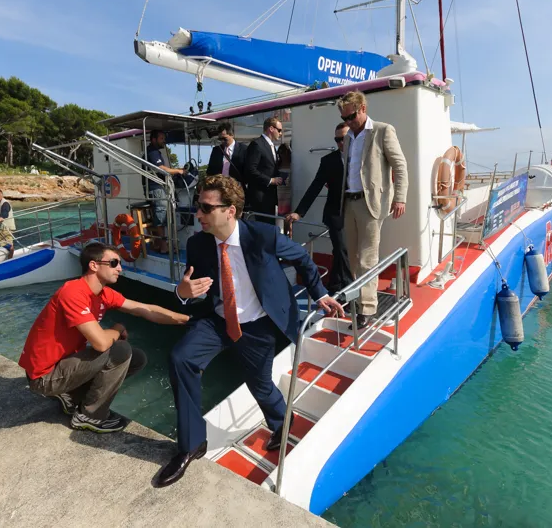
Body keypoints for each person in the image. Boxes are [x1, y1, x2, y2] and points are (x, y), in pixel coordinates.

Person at [153, 175, 344, 487]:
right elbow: (193, 287)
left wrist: (320, 293)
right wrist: (183, 292)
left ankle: (283, 423)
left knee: (260, 385)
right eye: (197, 206)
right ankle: (191, 444)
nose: (197, 214)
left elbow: (303, 260)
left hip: (258, 325)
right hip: (216, 321)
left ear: (230, 211)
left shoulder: (264, 236)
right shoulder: (197, 243)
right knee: (181, 358)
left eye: (205, 207)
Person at [19, 242, 188, 433]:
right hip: (44, 377)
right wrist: (117, 329)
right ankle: (89, 416)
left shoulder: (103, 294)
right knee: (120, 350)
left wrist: (188, 320)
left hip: (64, 366)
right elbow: (100, 343)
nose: (120, 268)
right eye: (114, 263)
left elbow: (145, 309)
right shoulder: (73, 292)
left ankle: (72, 396)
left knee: (137, 358)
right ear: (94, 265)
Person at [338, 91, 408, 329]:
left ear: (363, 108)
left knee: (368, 258)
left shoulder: (382, 130)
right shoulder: (349, 137)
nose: (349, 122)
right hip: (349, 202)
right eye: (345, 118)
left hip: (371, 204)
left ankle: (367, 309)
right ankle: (358, 301)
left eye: (352, 116)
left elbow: (400, 166)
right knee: (354, 260)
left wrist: (400, 198)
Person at [286, 123, 353, 293]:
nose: (341, 143)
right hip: (335, 214)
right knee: (341, 249)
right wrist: (299, 212)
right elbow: (315, 186)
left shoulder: (362, 158)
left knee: (343, 251)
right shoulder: (328, 161)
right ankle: (349, 289)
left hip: (357, 213)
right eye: (337, 140)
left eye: (344, 139)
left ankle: (334, 285)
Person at [145, 130, 185, 253]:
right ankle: (163, 246)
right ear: (154, 139)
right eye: (161, 138)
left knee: (164, 215)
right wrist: (178, 171)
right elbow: (161, 169)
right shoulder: (152, 152)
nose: (164, 141)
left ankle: (161, 243)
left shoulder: (155, 152)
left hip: (160, 187)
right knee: (161, 215)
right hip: (156, 187)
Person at [244, 116, 285, 222]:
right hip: (260, 197)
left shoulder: (271, 146)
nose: (281, 133)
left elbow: (268, 167)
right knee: (262, 229)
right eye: (279, 130)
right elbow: (250, 170)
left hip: (269, 197)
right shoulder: (257, 144)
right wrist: (271, 180)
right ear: (271, 129)